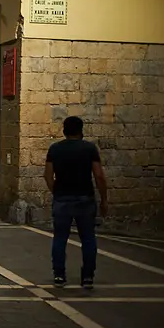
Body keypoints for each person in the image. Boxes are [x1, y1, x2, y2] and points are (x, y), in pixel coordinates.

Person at [44, 116, 108, 290]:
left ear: (64, 130)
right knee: (88, 238)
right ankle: (87, 277)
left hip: (62, 199)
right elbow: (99, 176)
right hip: (85, 198)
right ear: (81, 130)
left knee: (60, 238)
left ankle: (59, 275)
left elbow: (48, 175)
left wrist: (56, 192)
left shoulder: (55, 149)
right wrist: (104, 199)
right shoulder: (89, 149)